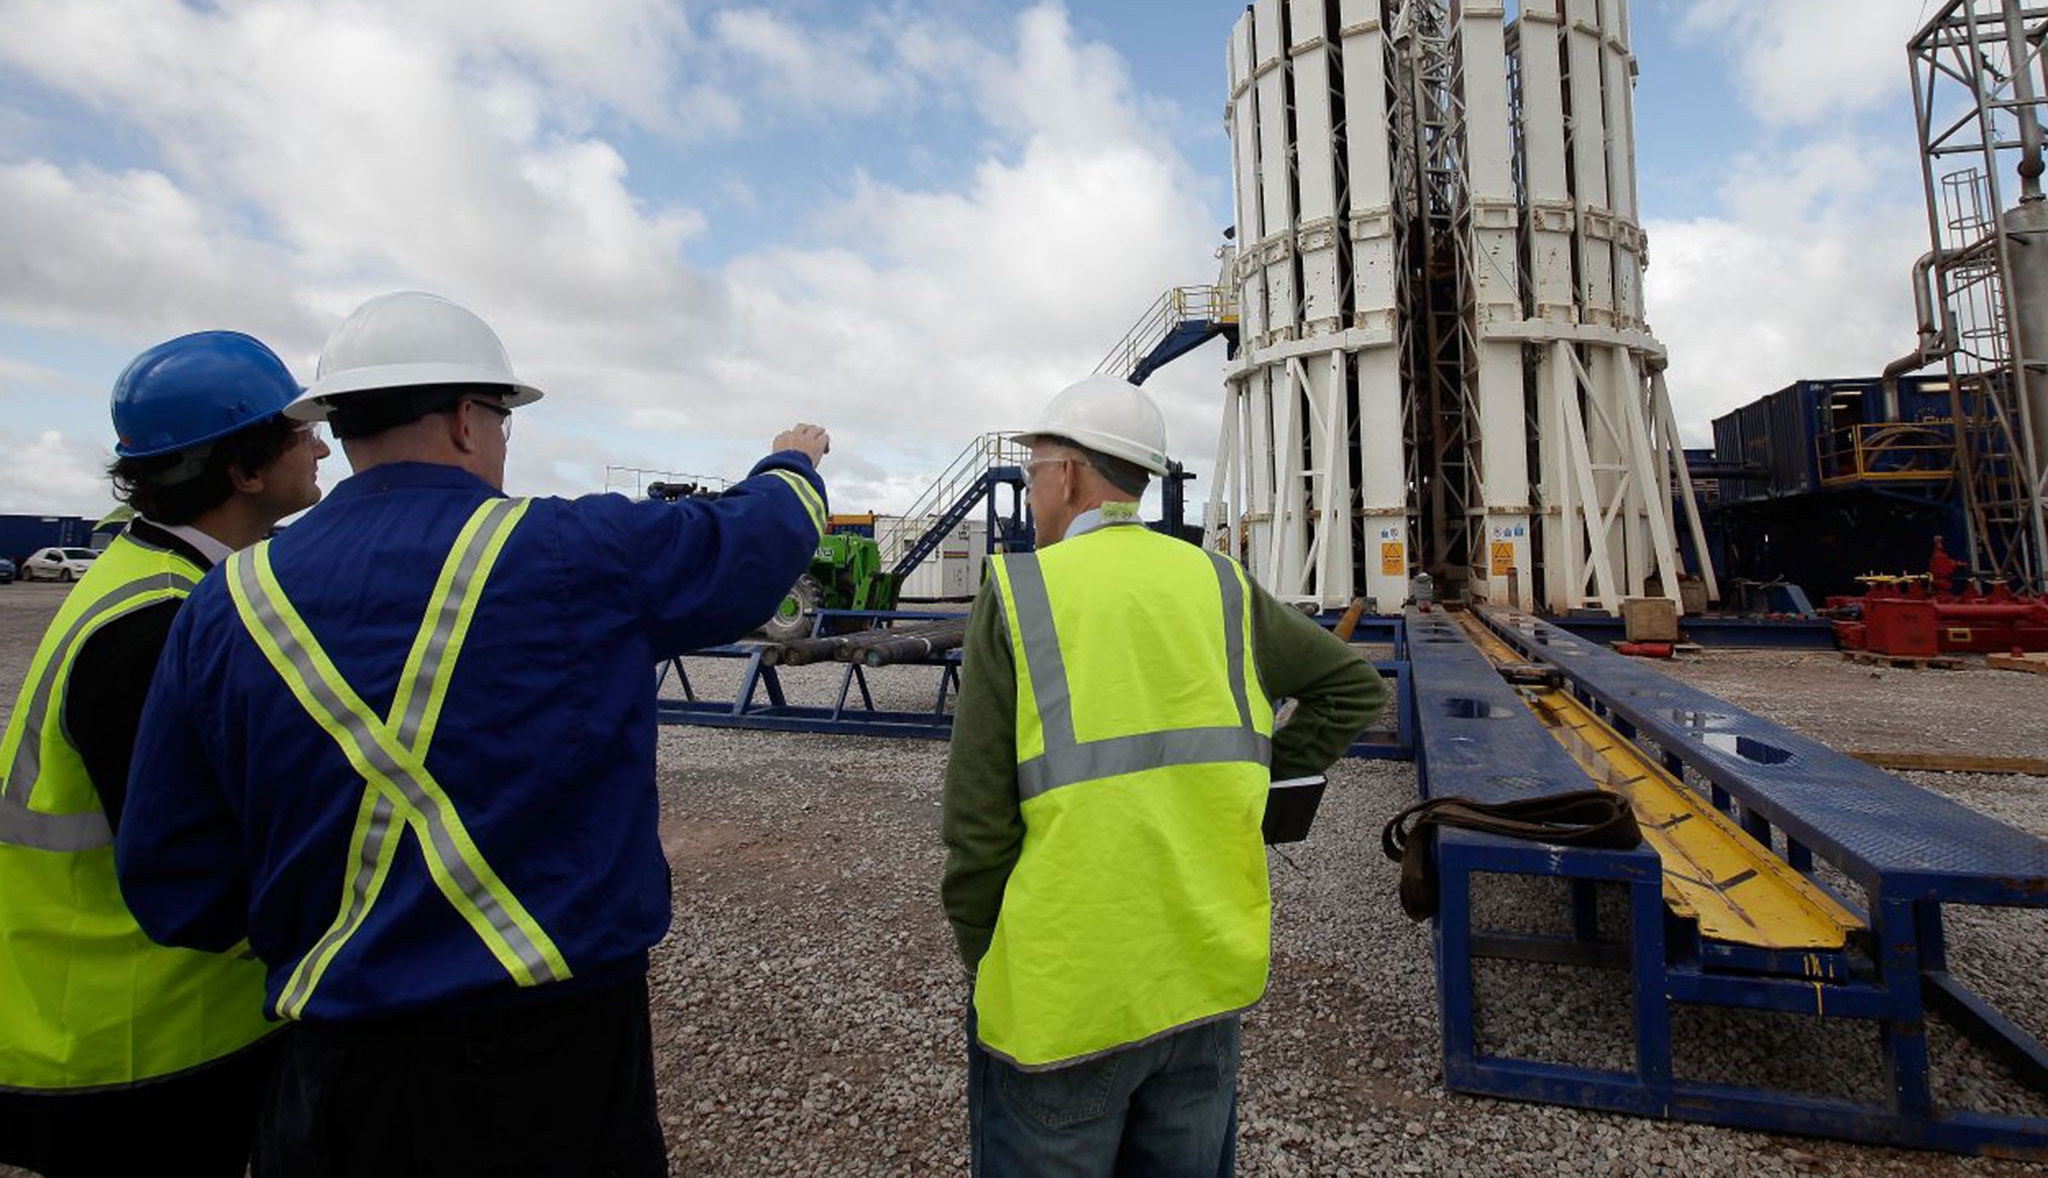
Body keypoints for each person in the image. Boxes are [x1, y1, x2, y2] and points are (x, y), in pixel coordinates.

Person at [115, 291, 831, 1178]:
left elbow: (173, 881)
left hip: (336, 1074)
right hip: (554, 1060)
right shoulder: (569, 551)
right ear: (465, 419)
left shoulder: (227, 602)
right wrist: (792, 461)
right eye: (501, 420)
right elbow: (760, 539)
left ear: (339, 426)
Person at [941, 377, 1385, 1177]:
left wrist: (987, 957)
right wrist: (1262, 784)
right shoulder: (1218, 583)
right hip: (1202, 976)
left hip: (1064, 991)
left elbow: (977, 829)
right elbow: (1352, 687)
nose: (1033, 489)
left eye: (1035, 469)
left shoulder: (1020, 592)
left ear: (1070, 475)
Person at [0, 331, 329, 1178]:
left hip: (141, 1027)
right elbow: (200, 852)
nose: (322, 442)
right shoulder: (152, 628)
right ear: (244, 470)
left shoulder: (165, 586)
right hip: (128, 1051)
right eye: (299, 431)